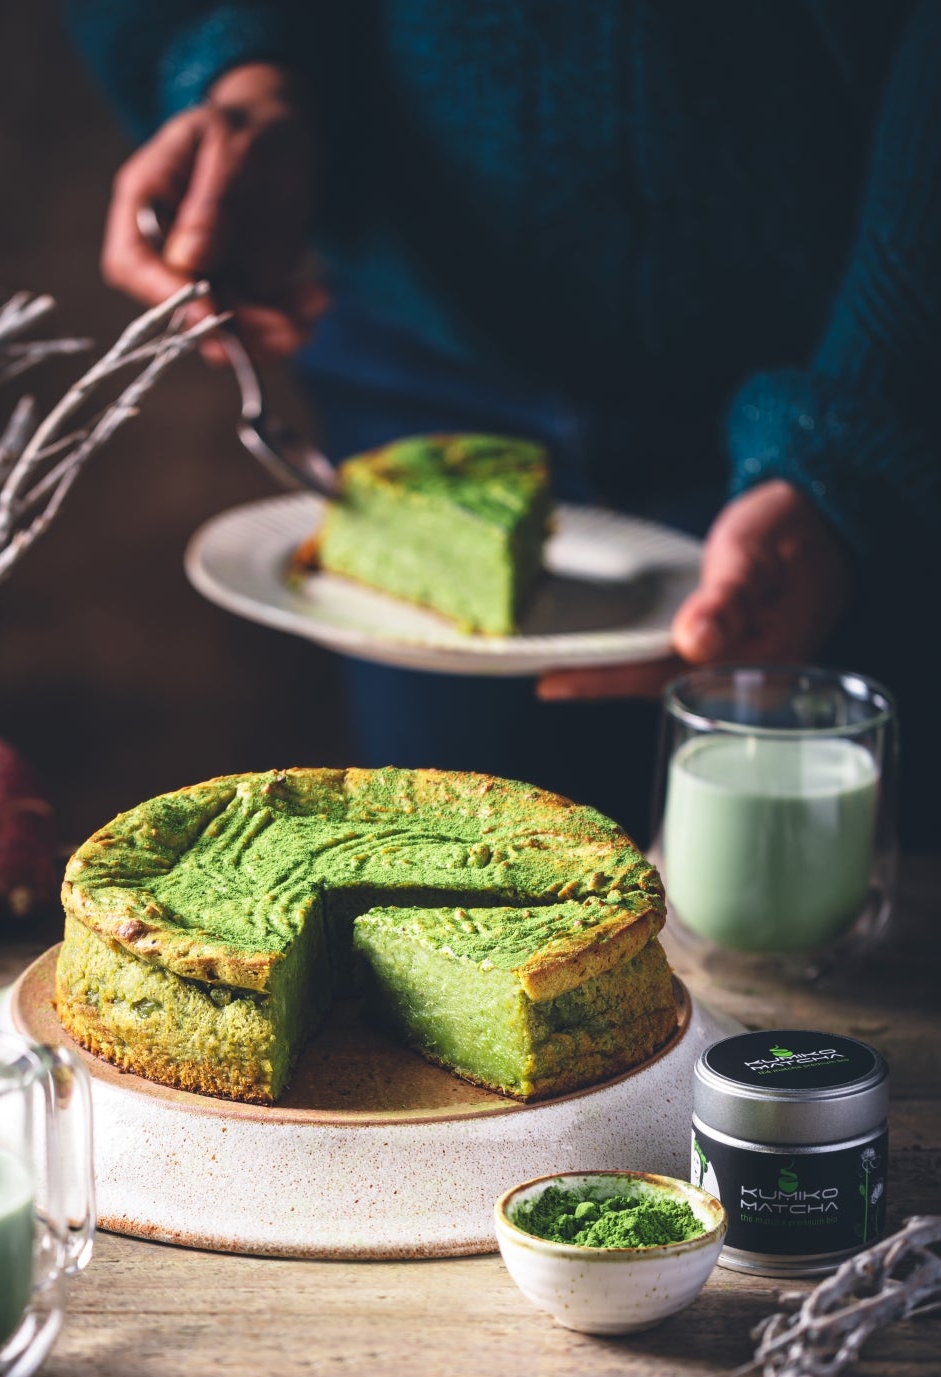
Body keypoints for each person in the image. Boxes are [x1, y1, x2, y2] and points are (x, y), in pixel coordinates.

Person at [67, 3, 940, 844]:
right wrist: (243, 68)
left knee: (830, 929)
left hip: (847, 382)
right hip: (422, 363)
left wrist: (860, 438)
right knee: (449, 885)